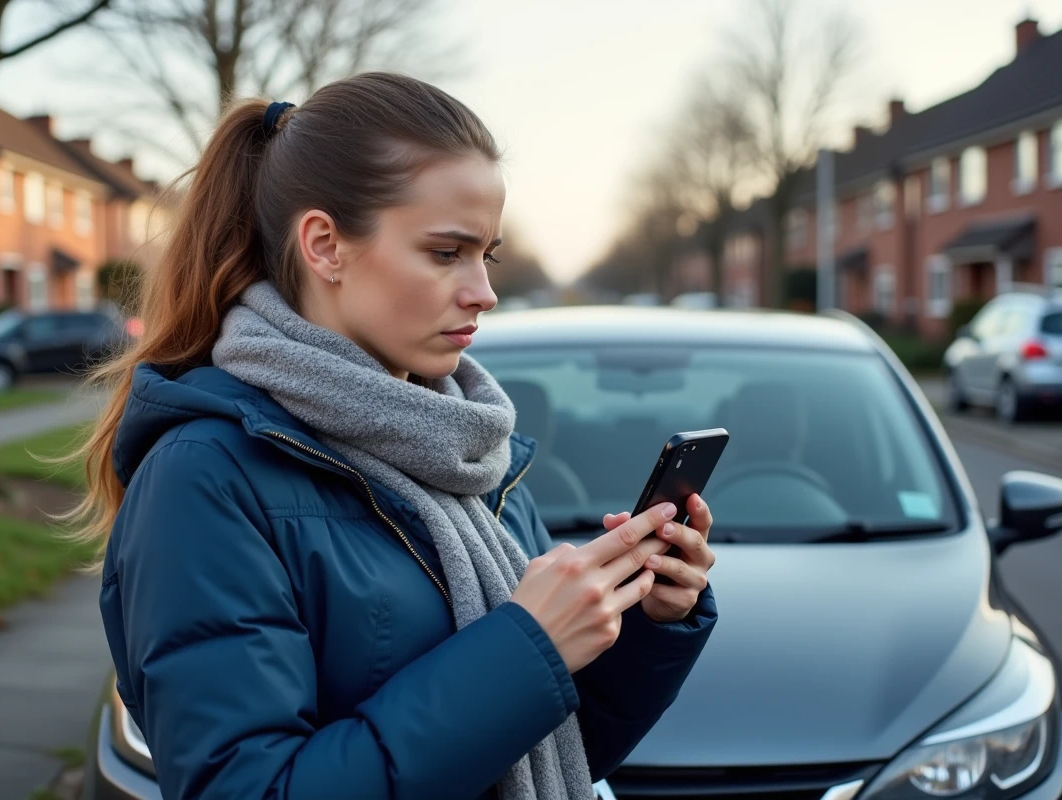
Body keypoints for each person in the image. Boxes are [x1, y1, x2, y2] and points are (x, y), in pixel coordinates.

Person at [70, 73, 718, 800]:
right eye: (447, 252)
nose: (484, 290)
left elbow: (548, 753)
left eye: (488, 255)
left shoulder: (465, 452)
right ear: (325, 246)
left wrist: (650, 626)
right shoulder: (205, 476)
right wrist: (525, 648)